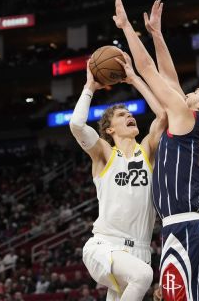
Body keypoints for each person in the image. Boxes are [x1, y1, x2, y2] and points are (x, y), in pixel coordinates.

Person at [114, 0, 199, 300]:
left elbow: (149, 70)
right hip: (191, 227)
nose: (188, 92)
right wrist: (156, 34)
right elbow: (169, 76)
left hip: (185, 228)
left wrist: (127, 28)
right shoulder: (193, 124)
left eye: (195, 91)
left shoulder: (186, 117)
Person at [70, 53, 166, 300]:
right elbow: (77, 125)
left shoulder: (146, 151)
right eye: (121, 115)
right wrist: (90, 86)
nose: (129, 116)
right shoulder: (103, 153)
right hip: (106, 246)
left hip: (140, 252)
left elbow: (163, 116)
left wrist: (135, 80)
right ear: (109, 129)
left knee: (139, 275)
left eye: (129, 113)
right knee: (143, 276)